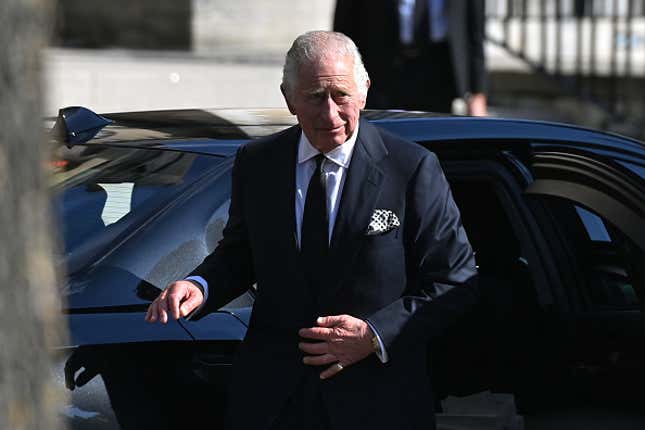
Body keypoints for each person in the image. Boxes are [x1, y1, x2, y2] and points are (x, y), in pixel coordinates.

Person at [146, 30, 478, 430]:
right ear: (288, 98)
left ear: (365, 91)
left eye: (341, 96)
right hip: (274, 400)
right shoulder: (260, 163)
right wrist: (199, 286)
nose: (330, 114)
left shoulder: (410, 169)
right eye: (315, 97)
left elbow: (455, 280)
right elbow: (241, 254)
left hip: (376, 400)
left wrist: (373, 335)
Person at [334, 0, 488, 115]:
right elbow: (344, 26)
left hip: (438, 67)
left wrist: (477, 93)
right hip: (382, 69)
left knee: (435, 139)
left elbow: (475, 32)